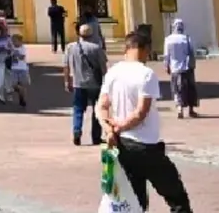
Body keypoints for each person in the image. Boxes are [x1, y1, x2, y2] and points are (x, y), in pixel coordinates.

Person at [97, 29, 193, 213]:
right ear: (143, 49)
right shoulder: (146, 74)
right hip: (145, 145)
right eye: (148, 51)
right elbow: (141, 112)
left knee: (135, 199)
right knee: (176, 196)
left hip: (121, 144)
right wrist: (120, 126)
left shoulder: (113, 72)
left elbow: (101, 106)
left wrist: (110, 129)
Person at [63, 20, 107, 145]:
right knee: (97, 110)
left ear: (79, 34)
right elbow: (103, 67)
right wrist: (106, 83)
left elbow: (66, 65)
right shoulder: (96, 48)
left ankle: (77, 131)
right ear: (92, 34)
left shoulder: (71, 47)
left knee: (78, 109)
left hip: (78, 83)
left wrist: (67, 81)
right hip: (95, 84)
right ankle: (96, 136)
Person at [162, 19, 199, 119]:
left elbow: (166, 55)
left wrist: (166, 66)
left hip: (175, 68)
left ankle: (179, 109)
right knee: (190, 88)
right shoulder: (186, 38)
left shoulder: (168, 39)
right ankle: (191, 110)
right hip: (187, 68)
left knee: (177, 89)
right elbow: (192, 52)